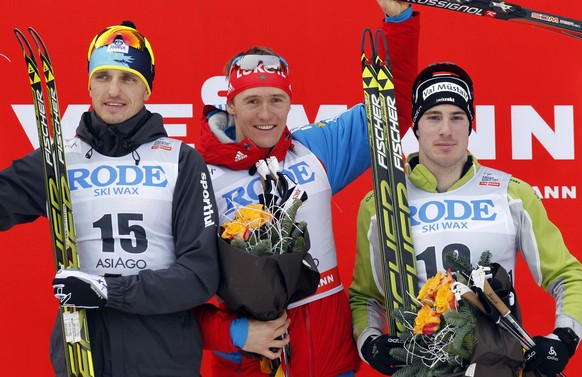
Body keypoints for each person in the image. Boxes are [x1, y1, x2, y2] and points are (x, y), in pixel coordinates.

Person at [349, 2, 582, 376]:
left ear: (470, 124)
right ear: (415, 126)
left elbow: (568, 276)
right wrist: (370, 341)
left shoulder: (510, 193)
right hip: (422, 364)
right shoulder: (381, 202)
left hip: (497, 363)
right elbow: (365, 296)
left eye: (457, 117)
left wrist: (564, 338)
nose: (446, 130)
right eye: (433, 117)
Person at [193, 4, 420, 375]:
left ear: (290, 101)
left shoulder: (315, 151)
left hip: (330, 362)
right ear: (230, 104)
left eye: (276, 100)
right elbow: (179, 296)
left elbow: (390, 111)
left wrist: (400, 21)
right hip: (249, 366)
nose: (265, 114)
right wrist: (235, 333)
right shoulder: (197, 175)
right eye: (252, 101)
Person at [0, 21, 219, 377]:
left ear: (147, 89)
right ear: (88, 82)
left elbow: (200, 275)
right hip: (83, 353)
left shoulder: (180, 160)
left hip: (162, 357)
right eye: (103, 76)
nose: (113, 90)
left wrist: (108, 289)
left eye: (129, 78)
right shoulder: (60, 159)